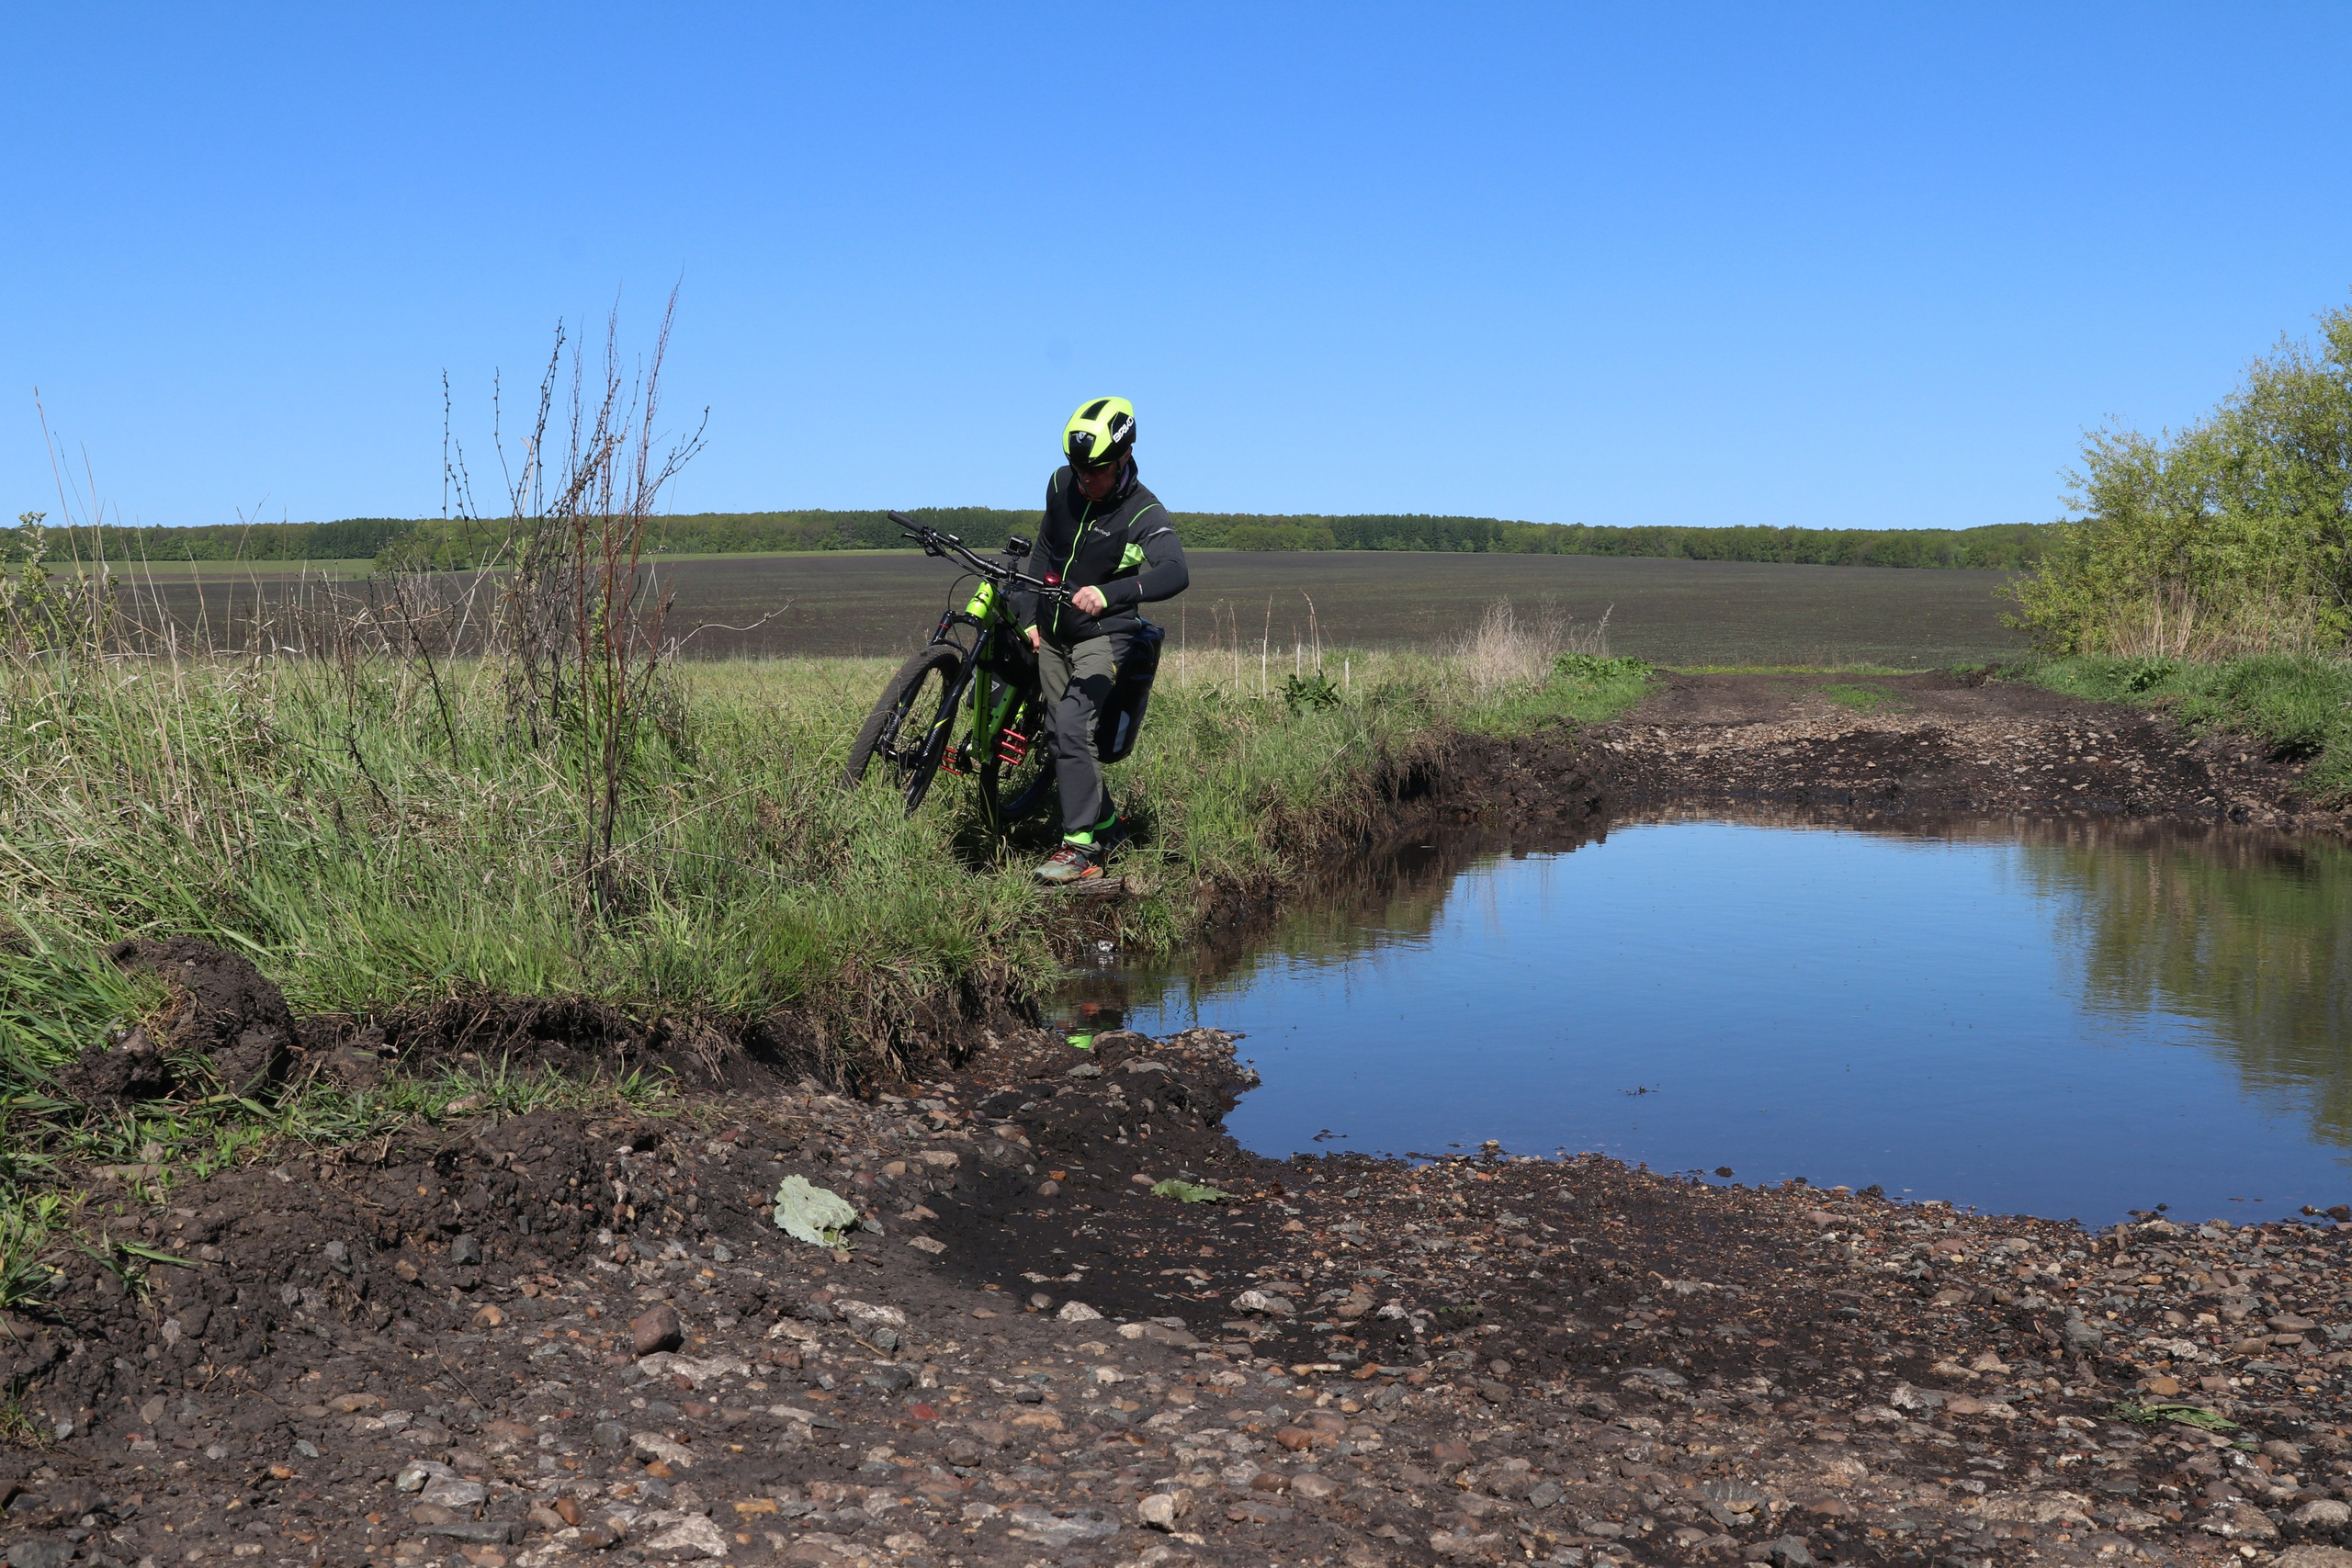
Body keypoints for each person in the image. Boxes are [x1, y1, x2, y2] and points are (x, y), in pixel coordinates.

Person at [1009, 396, 1189, 884]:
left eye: (1097, 471)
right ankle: (1107, 824)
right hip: (1050, 628)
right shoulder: (1061, 484)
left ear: (1125, 456)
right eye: (1078, 468)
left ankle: (1080, 851)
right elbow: (1046, 545)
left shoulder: (1142, 511)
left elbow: (1175, 571)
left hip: (1104, 635)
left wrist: (1109, 595)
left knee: (1071, 723)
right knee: (1056, 732)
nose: (1085, 480)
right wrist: (1029, 614)